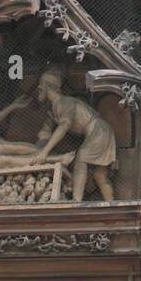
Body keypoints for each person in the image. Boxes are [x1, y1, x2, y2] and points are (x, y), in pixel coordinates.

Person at [33, 69, 117, 201]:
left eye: (41, 85)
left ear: (48, 86)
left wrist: (44, 152)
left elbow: (64, 126)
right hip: (97, 132)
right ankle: (111, 204)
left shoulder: (64, 102)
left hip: (98, 130)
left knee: (81, 157)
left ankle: (76, 201)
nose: (38, 88)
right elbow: (44, 134)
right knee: (99, 175)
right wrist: (36, 152)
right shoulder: (53, 110)